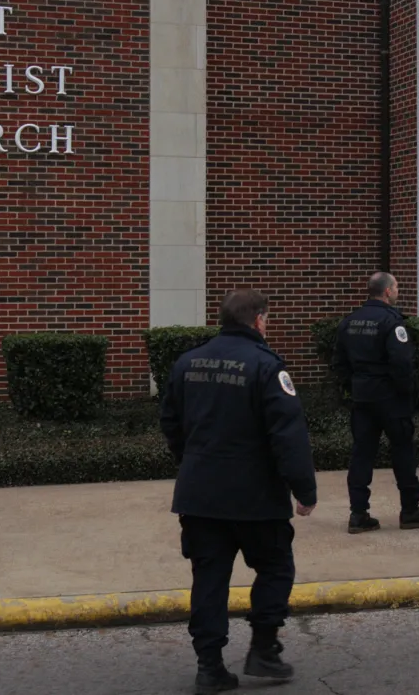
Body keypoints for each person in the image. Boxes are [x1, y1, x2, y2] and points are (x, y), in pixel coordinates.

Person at [160, 290, 317, 687]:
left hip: (200, 494)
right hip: (255, 497)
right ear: (259, 320)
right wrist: (304, 489)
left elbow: (171, 423)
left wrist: (193, 462)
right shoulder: (266, 367)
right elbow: (288, 436)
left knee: (209, 578)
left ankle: (209, 666)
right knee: (276, 567)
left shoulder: (187, 362)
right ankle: (264, 648)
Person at [333, 272, 419, 534]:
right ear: (388, 292)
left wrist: (354, 387)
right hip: (391, 399)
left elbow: (339, 364)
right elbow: (402, 364)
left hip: (363, 398)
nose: (397, 291)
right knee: (403, 453)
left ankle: (358, 514)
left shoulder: (350, 322)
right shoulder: (392, 323)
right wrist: (406, 394)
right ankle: (410, 510)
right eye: (397, 288)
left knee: (361, 455)